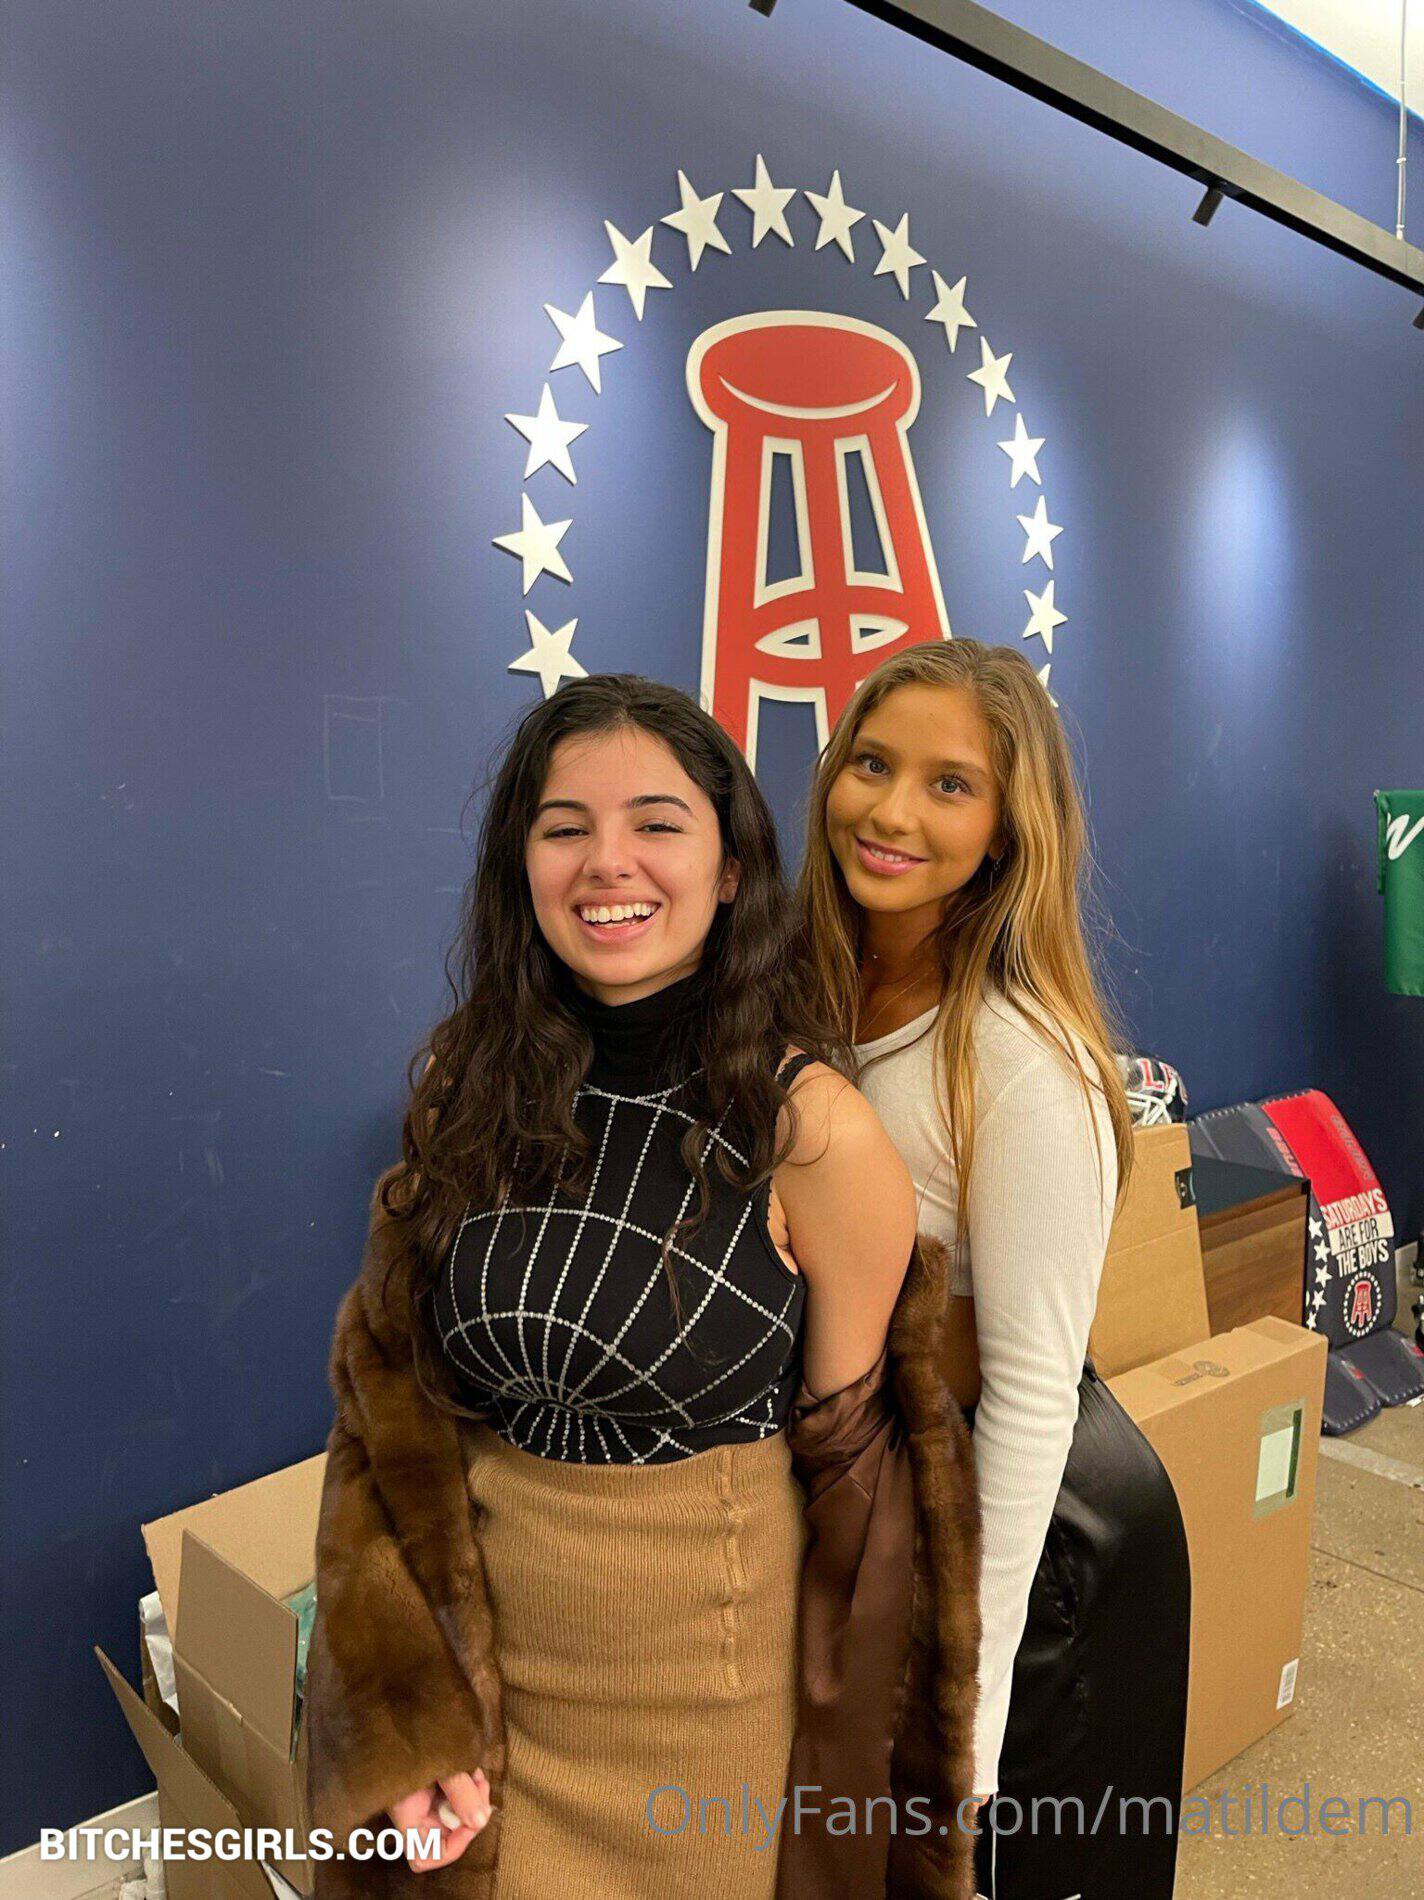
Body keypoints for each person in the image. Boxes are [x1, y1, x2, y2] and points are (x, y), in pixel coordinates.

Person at [302, 673, 986, 1899]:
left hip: (710, 1741)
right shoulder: (466, 1091)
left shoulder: (812, 1133)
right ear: (520, 864)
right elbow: (384, 1428)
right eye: (563, 826)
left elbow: (859, 1509)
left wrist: (856, 1804)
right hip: (487, 1721)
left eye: (656, 823)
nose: (605, 862)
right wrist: (400, 1716)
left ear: (729, 870)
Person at [794, 638, 1191, 1900]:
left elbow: (1026, 1395)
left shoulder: (1020, 1062)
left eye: (949, 784)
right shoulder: (810, 994)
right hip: (891, 1511)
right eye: (871, 763)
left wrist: (964, 1715)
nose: (890, 811)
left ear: (1010, 831)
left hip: (1034, 1542)